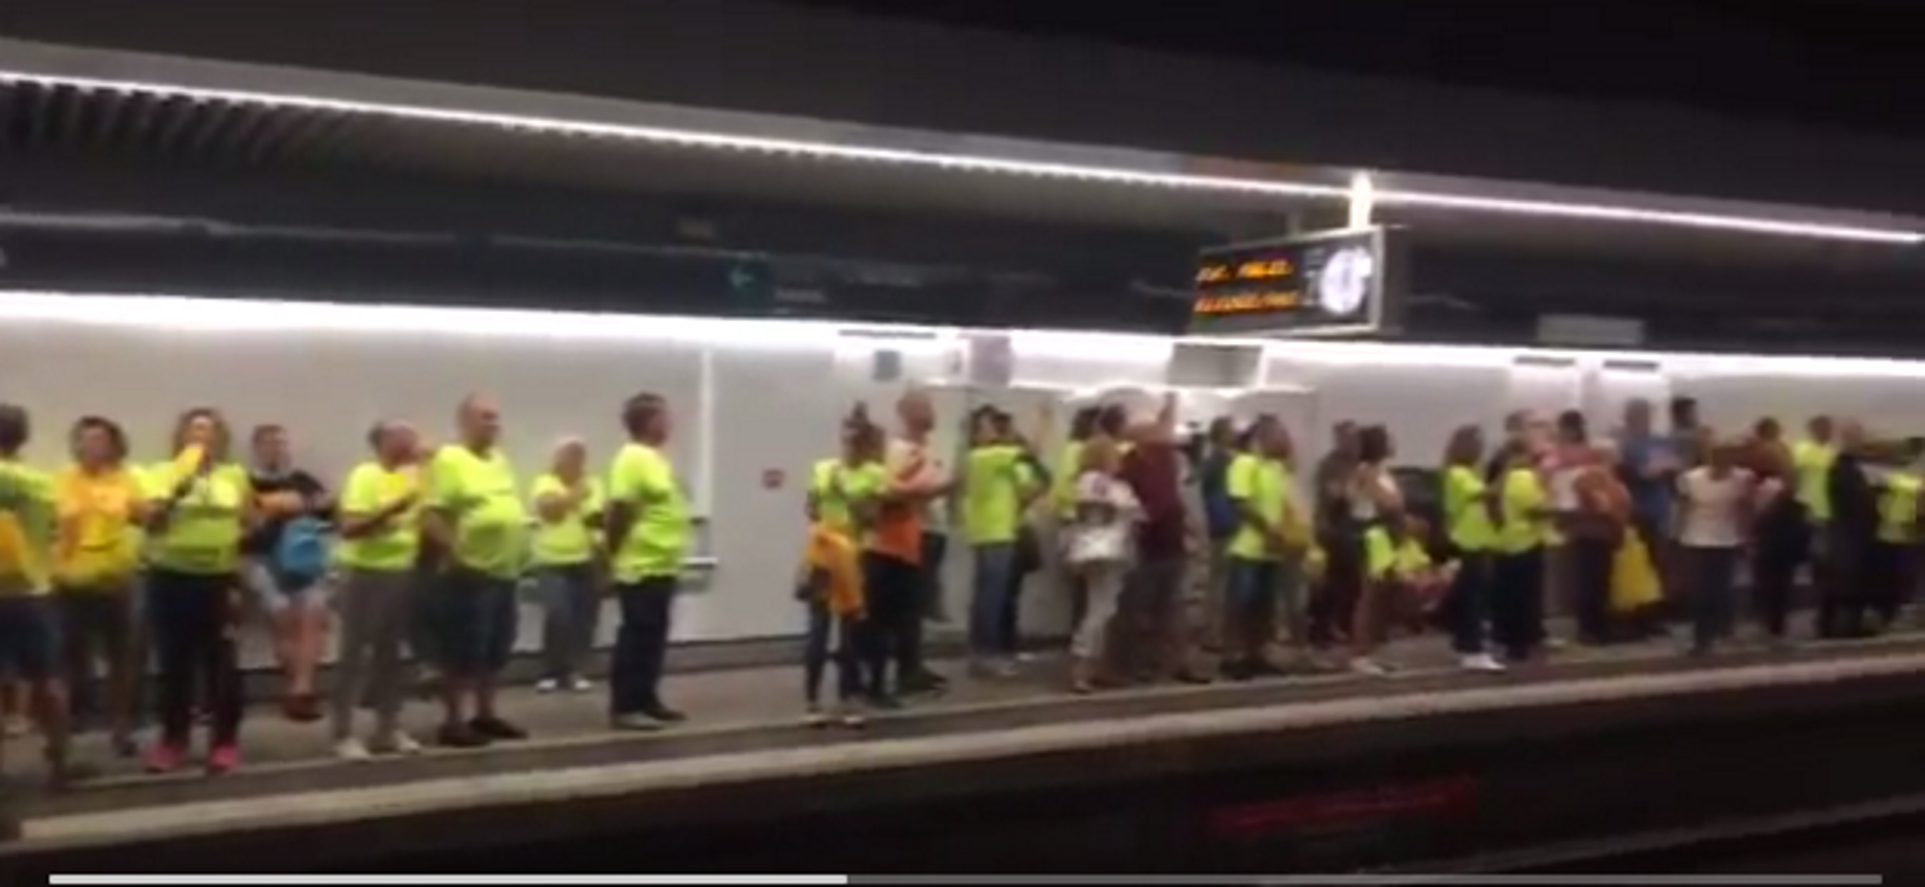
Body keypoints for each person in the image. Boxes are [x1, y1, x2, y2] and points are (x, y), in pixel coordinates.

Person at [142, 408, 251, 774]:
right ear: (182, 437)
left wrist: (237, 573)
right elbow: (150, 521)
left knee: (222, 664)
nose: (201, 438)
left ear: (219, 439)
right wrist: (177, 489)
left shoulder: (233, 476)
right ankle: (173, 740)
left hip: (219, 580)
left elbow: (249, 521)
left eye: (208, 431)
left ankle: (224, 742)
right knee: (175, 664)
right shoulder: (161, 472)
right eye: (194, 431)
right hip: (172, 577)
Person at [422, 395, 529, 747]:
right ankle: (453, 721)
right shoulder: (450, 460)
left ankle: (485, 714)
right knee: (461, 651)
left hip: (505, 570)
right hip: (469, 572)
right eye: (485, 417)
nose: (493, 424)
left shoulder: (498, 459)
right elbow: (433, 514)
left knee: (495, 649)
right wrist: (454, 552)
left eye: (496, 418)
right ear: (464, 421)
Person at [0, 403, 93, 785]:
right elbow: (64, 528)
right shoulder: (40, 481)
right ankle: (61, 759)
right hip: (36, 591)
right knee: (48, 678)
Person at [330, 420, 425, 760]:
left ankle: (388, 728)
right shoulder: (365, 476)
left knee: (392, 656)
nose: (414, 440)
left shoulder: (414, 476)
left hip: (401, 572)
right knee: (354, 655)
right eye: (406, 435)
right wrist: (391, 509)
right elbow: (350, 527)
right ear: (384, 441)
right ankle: (343, 732)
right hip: (364, 573)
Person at [52, 416, 146, 757]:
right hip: (72, 580)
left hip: (116, 579)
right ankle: (71, 723)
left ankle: (121, 725)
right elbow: (56, 522)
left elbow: (143, 516)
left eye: (100, 439)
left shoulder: (126, 479)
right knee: (71, 656)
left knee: (122, 656)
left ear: (113, 445)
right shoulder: (63, 480)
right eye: (86, 440)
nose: (92, 446)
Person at [605, 392, 695, 730]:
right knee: (636, 637)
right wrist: (612, 556)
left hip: (662, 564)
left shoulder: (655, 458)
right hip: (639, 565)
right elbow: (619, 512)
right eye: (664, 417)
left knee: (654, 637)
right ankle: (625, 705)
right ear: (648, 422)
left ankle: (647, 698)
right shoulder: (631, 458)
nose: (670, 423)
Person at [242, 424, 332, 722]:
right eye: (268, 444)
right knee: (283, 618)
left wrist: (292, 505)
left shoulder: (300, 480)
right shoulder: (244, 481)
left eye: (280, 443)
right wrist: (275, 507)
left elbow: (328, 508)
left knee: (313, 616)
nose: (275, 449)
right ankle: (296, 687)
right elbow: (243, 520)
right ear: (256, 448)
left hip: (303, 560)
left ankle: (301, 690)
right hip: (261, 559)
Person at [800, 408, 884, 727]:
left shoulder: (874, 474)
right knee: (818, 632)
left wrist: (845, 495)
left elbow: (872, 518)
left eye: (856, 441)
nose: (849, 447)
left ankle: (848, 697)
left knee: (851, 634)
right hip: (823, 556)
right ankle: (812, 700)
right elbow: (810, 509)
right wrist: (822, 500)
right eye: (846, 439)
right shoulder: (822, 469)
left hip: (853, 556)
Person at [1118, 393, 1207, 684]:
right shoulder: (1131, 463)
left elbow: (1177, 499)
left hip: (1170, 540)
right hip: (1146, 543)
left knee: (1173, 609)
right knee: (1144, 607)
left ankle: (1173, 662)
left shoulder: (1166, 460)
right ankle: (1141, 663)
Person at [881, 389, 956, 696]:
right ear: (909, 413)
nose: (932, 412)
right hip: (915, 533)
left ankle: (913, 665)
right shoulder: (900, 451)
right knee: (909, 606)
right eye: (925, 407)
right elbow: (899, 491)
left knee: (918, 604)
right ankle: (906, 670)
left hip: (932, 530)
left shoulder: (925, 449)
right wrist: (944, 487)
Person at [1222, 416, 1308, 681]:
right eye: (1278, 434)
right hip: (1249, 547)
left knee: (1264, 607)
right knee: (1241, 604)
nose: (1283, 439)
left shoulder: (1275, 467)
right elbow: (1241, 503)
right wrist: (1268, 530)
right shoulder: (1245, 463)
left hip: (1273, 549)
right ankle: (1233, 656)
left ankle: (1256, 653)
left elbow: (1286, 502)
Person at [961, 404, 1043, 678]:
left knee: (986, 597)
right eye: (987, 426)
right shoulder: (990, 455)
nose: (994, 430)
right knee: (992, 599)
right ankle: (987, 656)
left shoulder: (976, 457)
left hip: (987, 532)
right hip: (997, 532)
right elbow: (1032, 454)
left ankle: (980, 654)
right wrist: (1044, 420)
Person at [1062, 436, 1139, 694]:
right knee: (1100, 611)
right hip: (1103, 551)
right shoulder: (1099, 481)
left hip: (1098, 551)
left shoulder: (1089, 481)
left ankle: (1092, 667)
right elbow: (1095, 510)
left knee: (1102, 609)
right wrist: (1119, 510)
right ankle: (1082, 667)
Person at [531, 438, 605, 694]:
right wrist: (575, 495)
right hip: (552, 561)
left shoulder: (594, 484)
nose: (576, 462)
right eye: (570, 456)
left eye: (580, 457)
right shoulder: (545, 482)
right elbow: (550, 511)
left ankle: (575, 670)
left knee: (583, 618)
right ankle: (551, 670)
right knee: (558, 615)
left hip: (585, 559)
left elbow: (597, 519)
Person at [1676, 440, 1755, 656]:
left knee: (1721, 590)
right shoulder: (1691, 479)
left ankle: (1722, 630)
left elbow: (1745, 509)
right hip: (1696, 539)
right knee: (1701, 591)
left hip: (1726, 540)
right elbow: (1683, 509)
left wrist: (1746, 538)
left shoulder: (1742, 479)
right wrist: (1677, 536)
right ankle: (1701, 638)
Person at [1440, 425, 1505, 673]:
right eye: (1477, 443)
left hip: (1479, 539)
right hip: (1469, 541)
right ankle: (1473, 648)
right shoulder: (1458, 474)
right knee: (1474, 597)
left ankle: (1464, 642)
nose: (1481, 449)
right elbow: (1487, 495)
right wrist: (1506, 468)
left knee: (1472, 594)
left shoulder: (1469, 473)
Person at [1345, 425, 1404, 675]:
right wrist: (1395, 505)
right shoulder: (1365, 472)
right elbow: (1387, 503)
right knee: (1368, 596)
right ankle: (1359, 653)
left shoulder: (1382, 471)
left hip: (1386, 536)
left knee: (1382, 596)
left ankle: (1372, 651)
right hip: (1371, 535)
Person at [1490, 440, 1551, 663]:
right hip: (1525, 541)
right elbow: (1535, 508)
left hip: (1502, 541)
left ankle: (1503, 641)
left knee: (1506, 597)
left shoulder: (1496, 478)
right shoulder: (1523, 478)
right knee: (1526, 597)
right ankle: (1523, 645)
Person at [1568, 443, 1630, 644]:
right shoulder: (1594, 478)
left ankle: (1595, 627)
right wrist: (1618, 526)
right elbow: (1603, 507)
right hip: (1596, 536)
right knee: (1593, 584)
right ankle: (1592, 630)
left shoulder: (1592, 478)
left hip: (1596, 535)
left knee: (1597, 583)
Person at [1821, 420, 1877, 639]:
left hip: (1850, 531)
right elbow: (1855, 501)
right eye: (1857, 437)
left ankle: (1837, 625)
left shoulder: (1847, 467)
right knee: (1847, 581)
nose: (1860, 442)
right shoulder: (1843, 468)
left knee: (1845, 580)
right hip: (1849, 532)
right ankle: (1842, 627)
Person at [1748, 434, 1805, 647]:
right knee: (1774, 586)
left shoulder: (1771, 487)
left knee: (1773, 586)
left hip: (1775, 542)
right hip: (1775, 542)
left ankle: (1772, 627)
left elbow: (1757, 515)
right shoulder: (1776, 487)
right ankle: (1773, 628)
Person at [1309, 421, 1361, 648]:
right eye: (1346, 438)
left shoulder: (1359, 464)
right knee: (1331, 582)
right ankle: (1320, 628)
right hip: (1334, 527)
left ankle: (1345, 624)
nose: (1351, 443)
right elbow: (1334, 495)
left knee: (1352, 582)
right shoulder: (1330, 465)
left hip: (1355, 527)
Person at [1195, 417, 1240, 654]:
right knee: (1222, 583)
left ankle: (1213, 631)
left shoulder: (1210, 460)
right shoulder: (1222, 461)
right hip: (1226, 525)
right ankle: (1215, 632)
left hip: (1217, 525)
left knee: (1218, 581)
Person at [1871, 438, 1925, 630]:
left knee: (1909, 579)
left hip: (1905, 534)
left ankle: (1909, 616)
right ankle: (1905, 615)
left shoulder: (1907, 475)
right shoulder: (1906, 474)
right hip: (1897, 534)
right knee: (1905, 579)